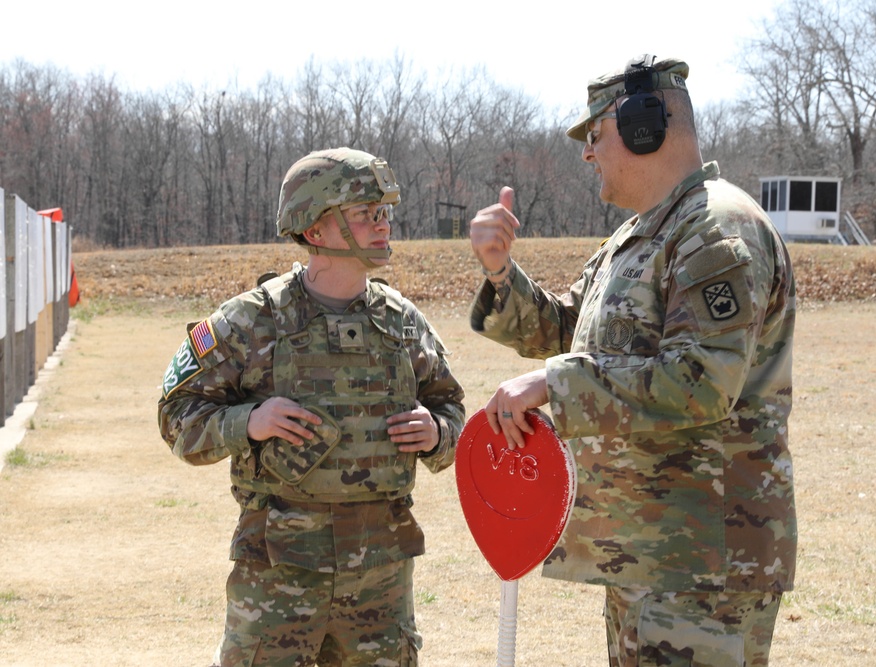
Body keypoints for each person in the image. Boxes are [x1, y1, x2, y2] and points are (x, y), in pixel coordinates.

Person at [468, 55, 796, 666]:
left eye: (596, 136)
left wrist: (551, 383)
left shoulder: (713, 230)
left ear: (646, 127)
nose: (588, 154)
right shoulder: (642, 235)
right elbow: (570, 330)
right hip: (652, 549)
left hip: (703, 563)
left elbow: (700, 382)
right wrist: (498, 271)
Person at [158, 147, 466, 667]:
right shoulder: (250, 322)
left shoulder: (403, 322)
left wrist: (436, 433)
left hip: (380, 581)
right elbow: (176, 417)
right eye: (365, 213)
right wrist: (248, 422)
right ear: (315, 228)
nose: (382, 224)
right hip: (277, 580)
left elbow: (452, 410)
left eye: (384, 212)